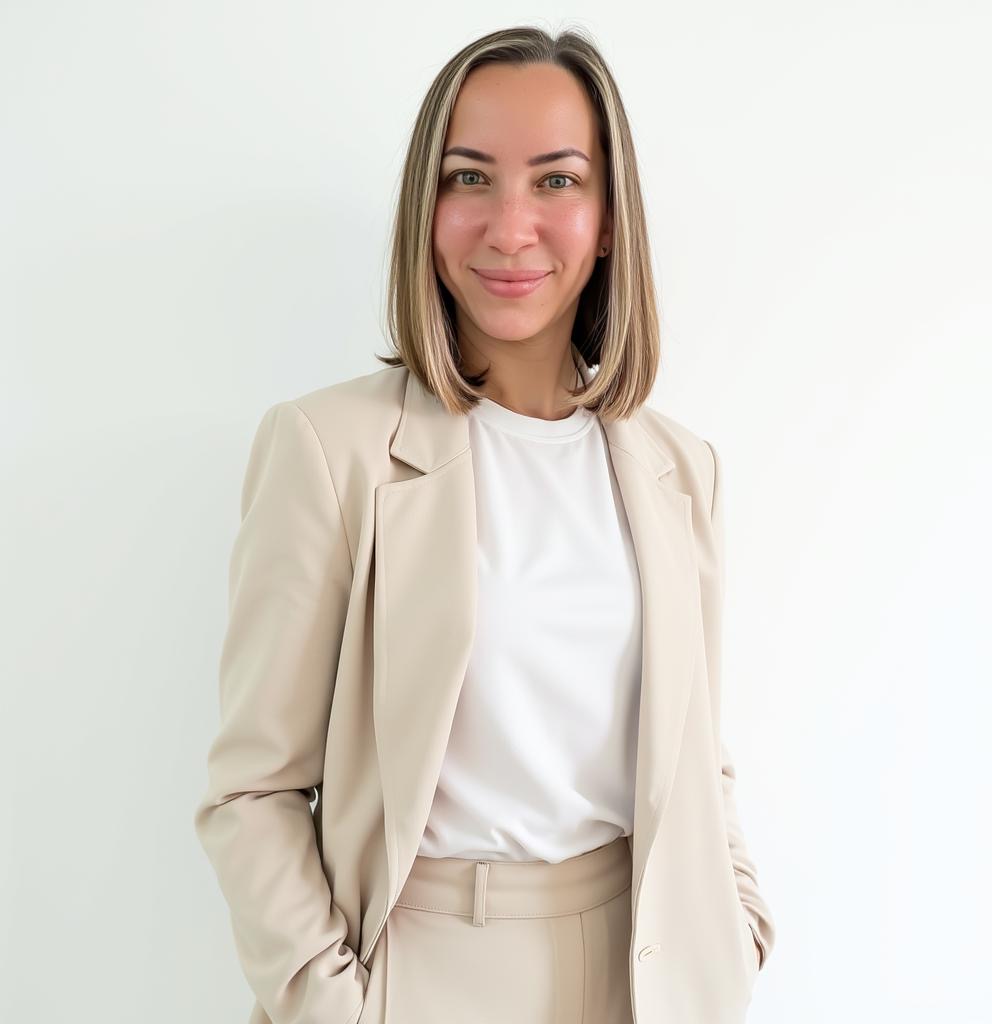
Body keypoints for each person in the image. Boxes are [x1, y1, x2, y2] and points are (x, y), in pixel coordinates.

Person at [194, 24, 776, 1024]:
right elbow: (253, 791)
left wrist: (739, 928)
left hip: (644, 975)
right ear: (426, 211)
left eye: (557, 181)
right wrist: (338, 1005)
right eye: (470, 178)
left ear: (607, 219)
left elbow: (696, 755)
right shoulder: (331, 451)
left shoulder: (681, 471)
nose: (510, 228)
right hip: (419, 974)